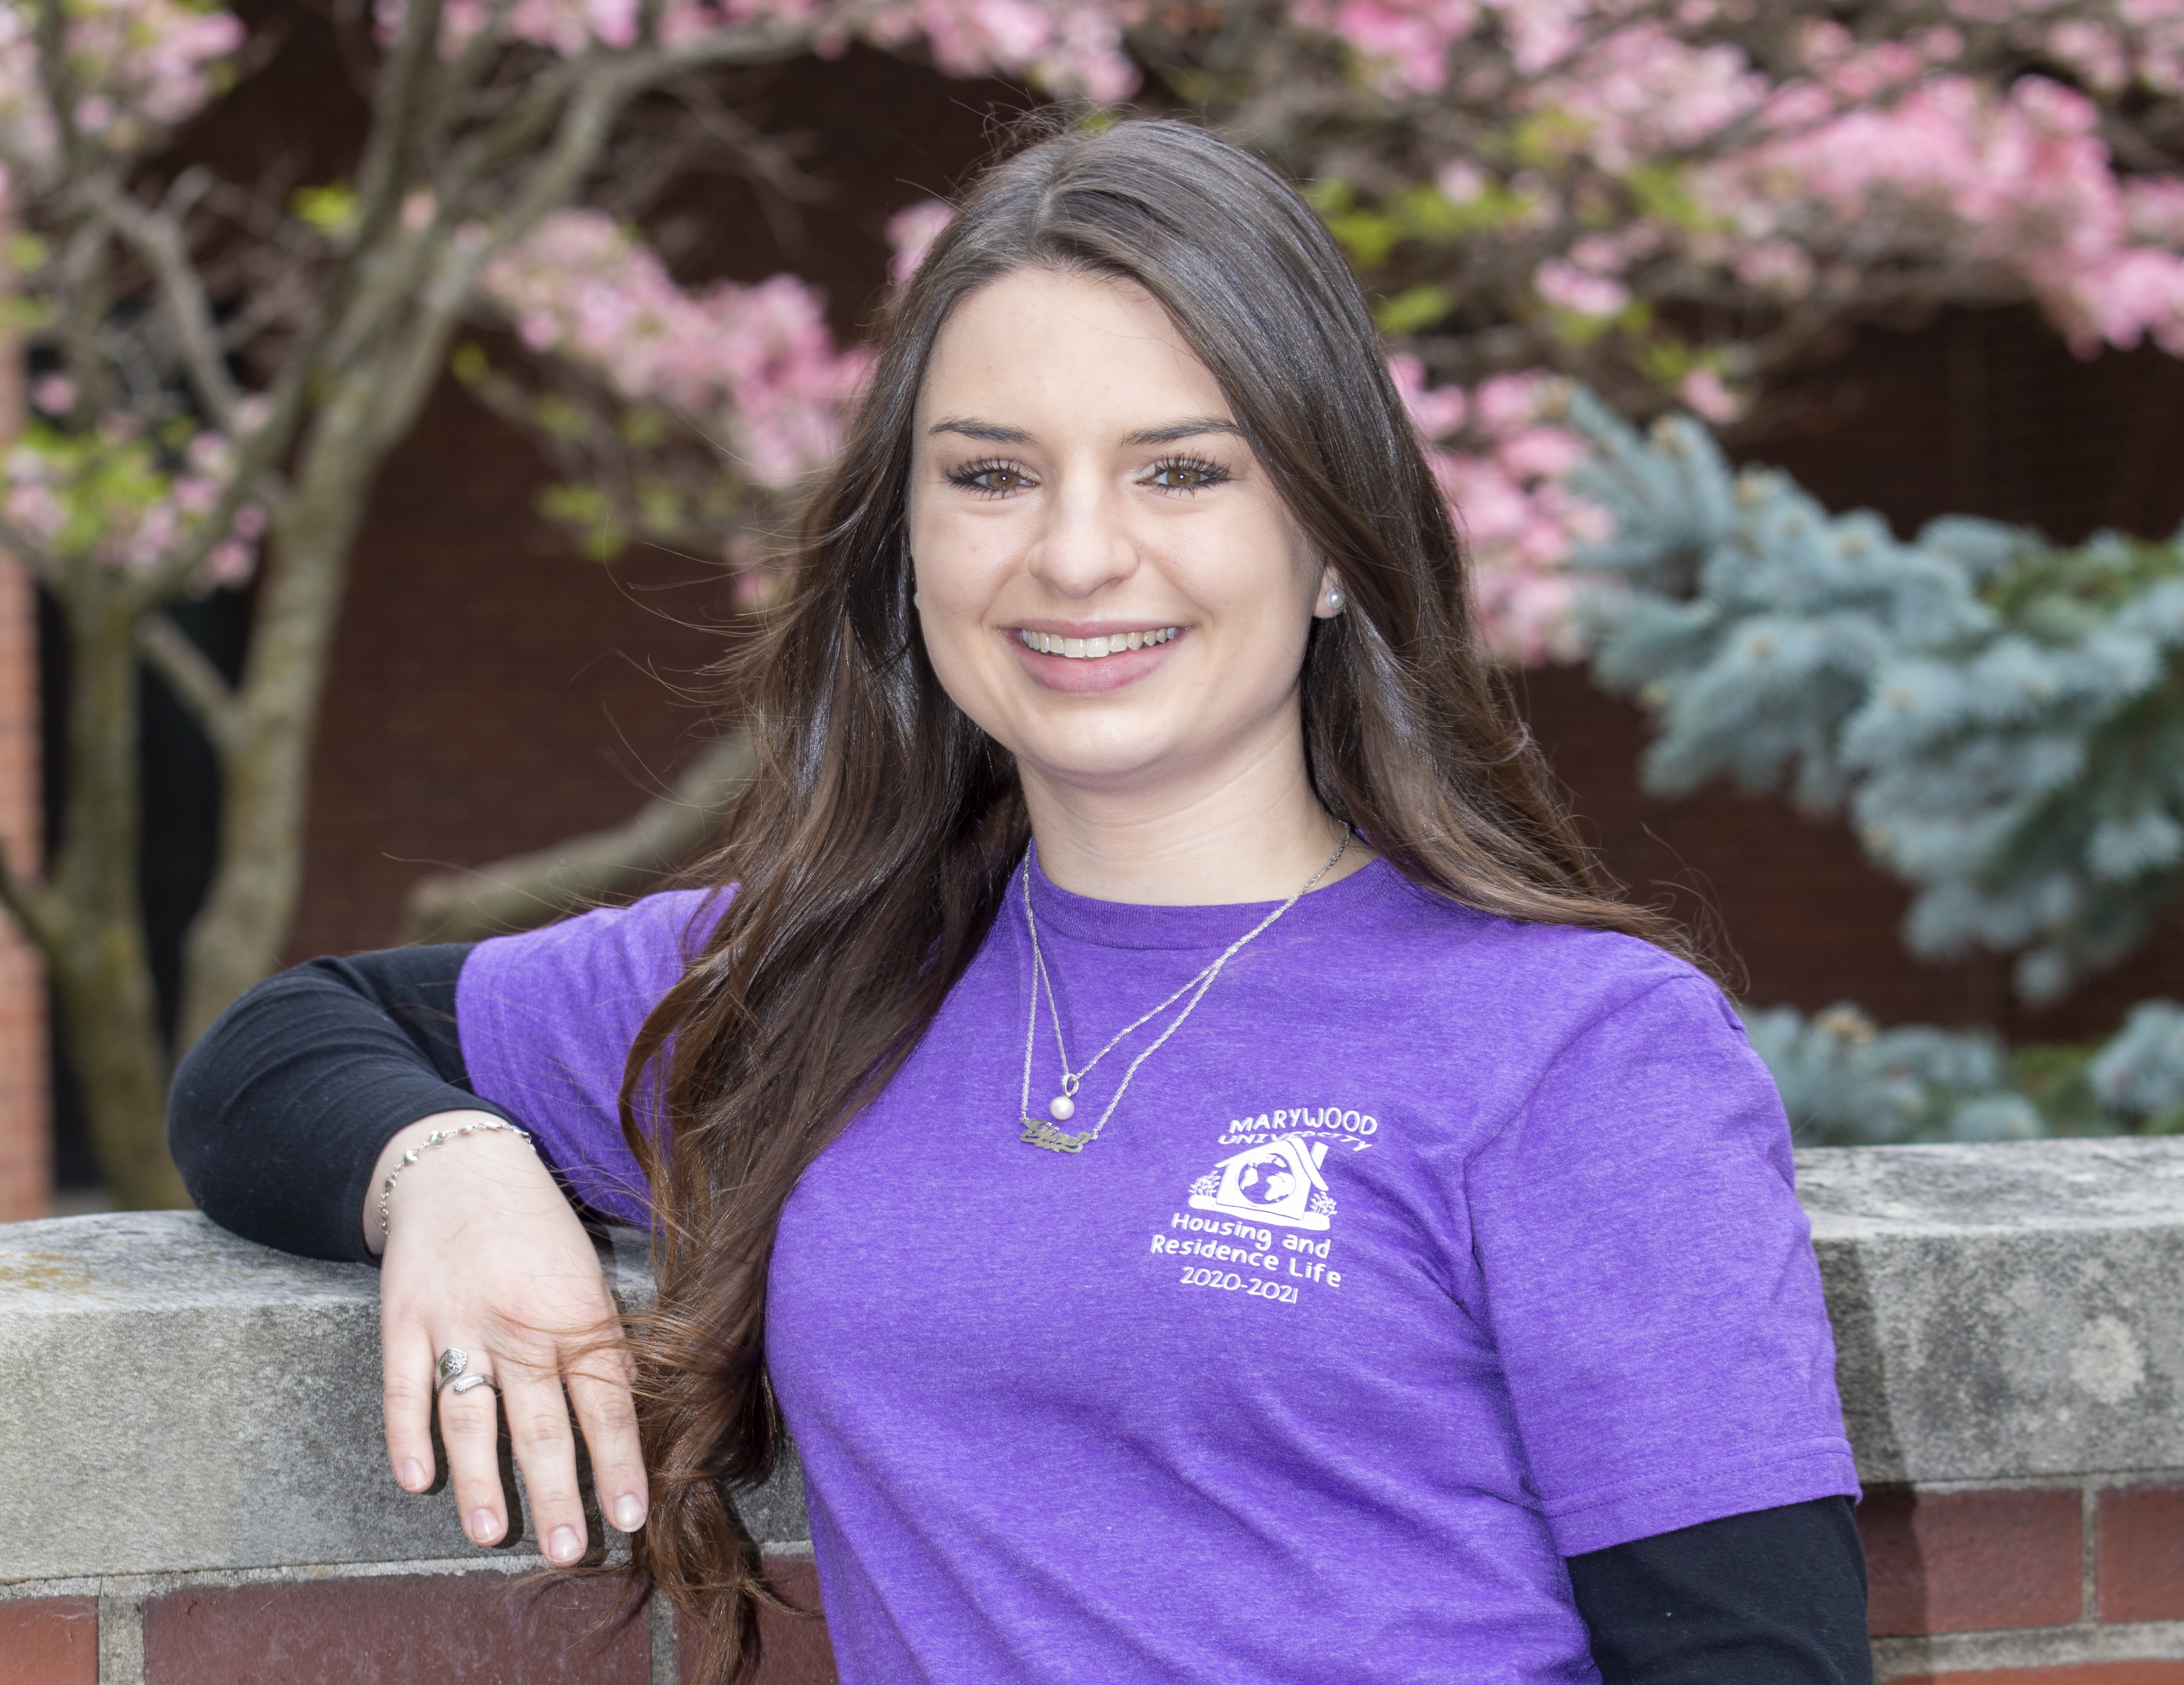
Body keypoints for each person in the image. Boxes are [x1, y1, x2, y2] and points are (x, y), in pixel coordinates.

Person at [171, 118, 1870, 1684]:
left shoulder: (1582, 1050)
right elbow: (282, 1046)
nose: (1074, 555)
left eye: (1182, 471)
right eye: (991, 474)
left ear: (1339, 541)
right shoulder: (819, 982)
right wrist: (452, 1171)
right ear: (906, 539)